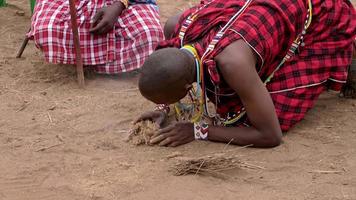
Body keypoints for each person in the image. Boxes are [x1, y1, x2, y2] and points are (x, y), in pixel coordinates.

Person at [136, 0, 356, 148]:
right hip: (258, 14)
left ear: (186, 87)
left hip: (319, 8)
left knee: (262, 112)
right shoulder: (176, 28)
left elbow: (270, 135)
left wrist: (198, 131)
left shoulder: (233, 63)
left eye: (167, 99)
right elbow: (167, 72)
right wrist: (162, 108)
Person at [28, 0, 164, 74]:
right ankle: (90, 58)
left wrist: (118, 5)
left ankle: (92, 61)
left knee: (150, 35)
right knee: (46, 30)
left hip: (127, 2)